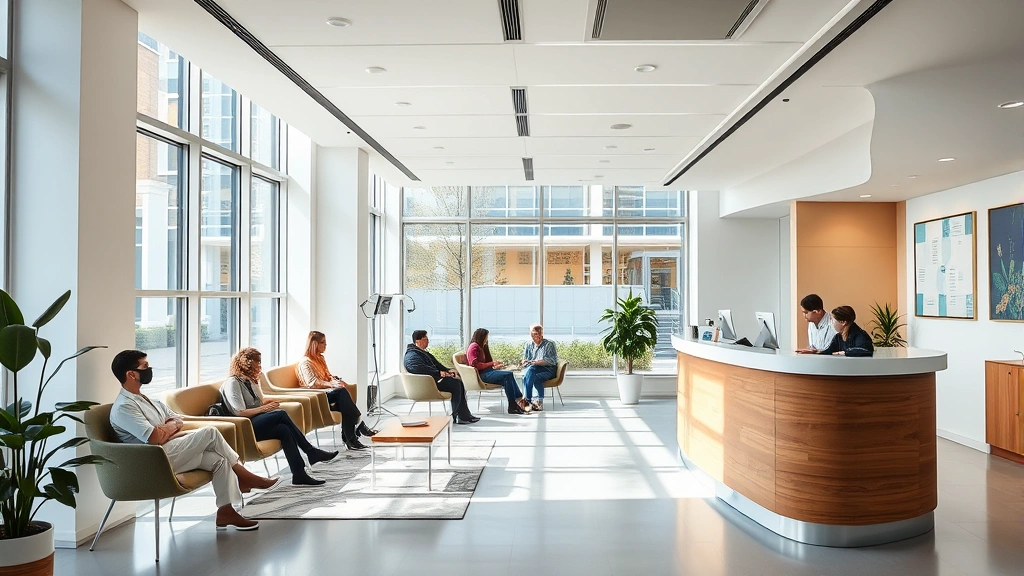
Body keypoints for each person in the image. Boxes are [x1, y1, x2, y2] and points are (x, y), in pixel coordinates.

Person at [109, 349, 276, 531]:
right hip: (153, 461)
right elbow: (154, 437)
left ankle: (226, 511)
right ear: (131, 374)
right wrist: (165, 429)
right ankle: (245, 476)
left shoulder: (147, 399)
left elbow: (177, 419)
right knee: (210, 432)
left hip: (169, 451)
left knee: (219, 461)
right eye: (145, 366)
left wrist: (167, 428)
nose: (149, 370)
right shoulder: (124, 407)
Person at [222, 348, 338, 486]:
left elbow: (257, 402)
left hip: (257, 421)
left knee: (284, 430)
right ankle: (310, 451)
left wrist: (270, 403)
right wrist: (265, 408)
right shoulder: (233, 382)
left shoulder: (251, 381)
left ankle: (299, 474)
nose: (260, 365)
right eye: (257, 362)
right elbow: (239, 412)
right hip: (245, 427)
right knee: (281, 414)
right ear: (247, 362)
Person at [296, 331, 378, 451]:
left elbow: (327, 375)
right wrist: (331, 384)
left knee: (344, 403)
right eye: (323, 343)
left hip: (327, 392)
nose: (326, 345)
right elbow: (312, 383)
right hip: (317, 397)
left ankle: (351, 439)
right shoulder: (305, 362)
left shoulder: (320, 358)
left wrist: (335, 380)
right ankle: (357, 427)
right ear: (314, 344)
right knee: (342, 394)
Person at [404, 330, 480, 424]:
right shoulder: (412, 354)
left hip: (433, 381)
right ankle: (460, 415)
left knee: (457, 382)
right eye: (425, 339)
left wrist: (448, 370)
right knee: (456, 384)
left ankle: (462, 415)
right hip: (427, 385)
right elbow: (415, 368)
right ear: (417, 341)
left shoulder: (422, 352)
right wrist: (438, 373)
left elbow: (438, 365)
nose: (428, 341)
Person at [467, 328, 530, 415]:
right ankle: (514, 404)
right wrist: (491, 363)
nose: (487, 339)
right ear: (481, 337)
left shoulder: (481, 347)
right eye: (486, 337)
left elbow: (484, 364)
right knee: (508, 375)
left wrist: (494, 367)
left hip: (487, 372)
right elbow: (475, 365)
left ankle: (517, 402)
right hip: (482, 375)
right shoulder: (474, 346)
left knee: (509, 376)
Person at [521, 324, 558, 412]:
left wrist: (539, 362)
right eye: (532, 334)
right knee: (532, 375)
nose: (534, 336)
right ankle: (538, 402)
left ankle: (527, 400)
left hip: (547, 369)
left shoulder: (549, 344)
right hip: (532, 370)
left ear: (542, 334)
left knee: (530, 371)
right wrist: (524, 361)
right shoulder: (528, 344)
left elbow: (552, 361)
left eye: (537, 334)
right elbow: (525, 358)